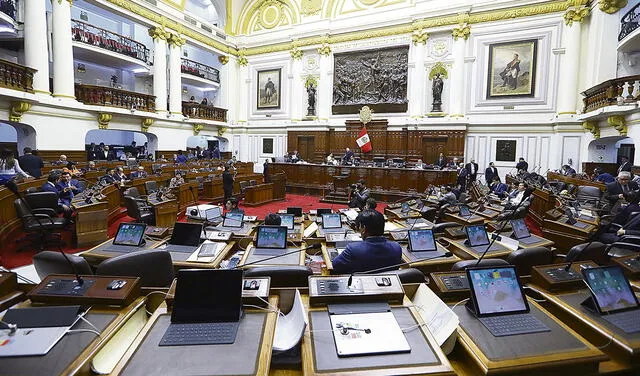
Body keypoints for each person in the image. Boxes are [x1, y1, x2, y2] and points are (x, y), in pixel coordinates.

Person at [331, 210, 402, 274]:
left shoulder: (352, 249)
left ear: (364, 229)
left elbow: (335, 265)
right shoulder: (397, 248)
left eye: (359, 227)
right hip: (389, 286)